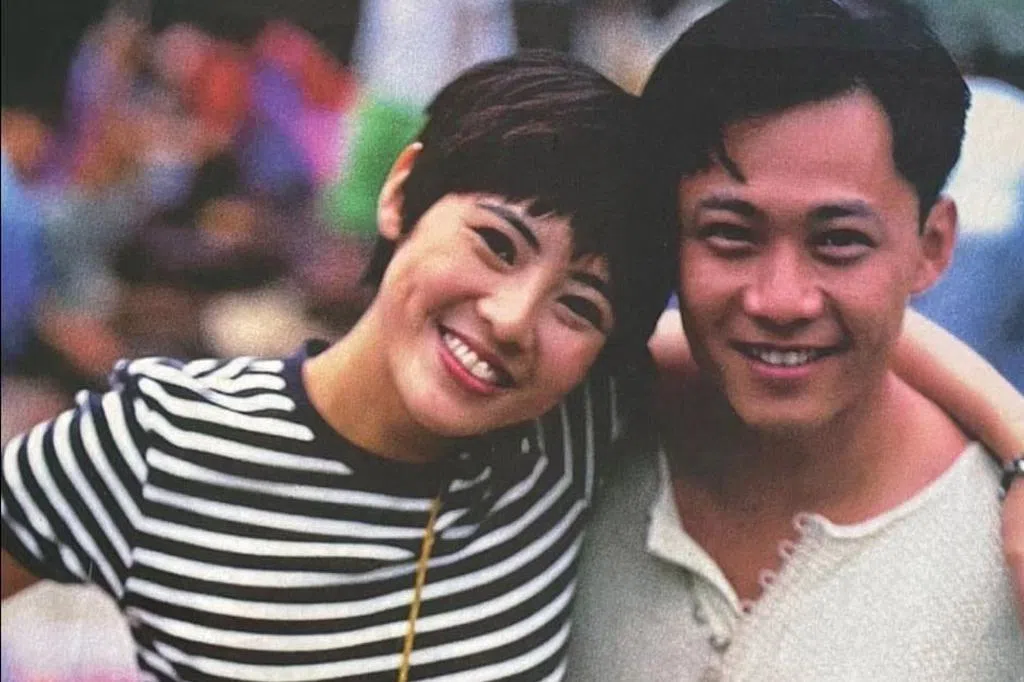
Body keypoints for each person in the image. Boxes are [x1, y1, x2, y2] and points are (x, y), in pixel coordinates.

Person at [1, 37, 1020, 682]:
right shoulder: (159, 438)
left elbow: (791, 333)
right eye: (494, 243)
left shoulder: (559, 428)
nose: (510, 319)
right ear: (402, 191)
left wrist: (1017, 447)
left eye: (579, 303)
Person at [566, 1, 1024, 680]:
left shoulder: (1001, 548)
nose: (780, 301)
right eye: (730, 235)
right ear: (667, 236)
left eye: (838, 241)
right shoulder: (571, 443)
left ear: (932, 246)